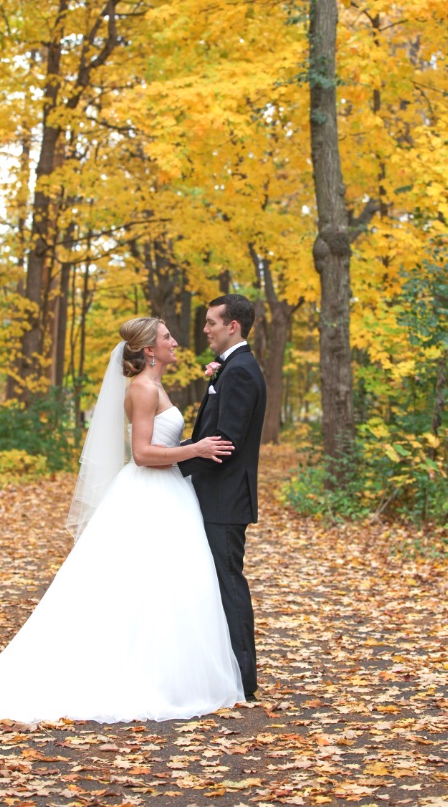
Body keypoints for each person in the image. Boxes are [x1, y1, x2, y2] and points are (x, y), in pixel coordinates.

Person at [0, 317, 245, 724]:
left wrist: (190, 449)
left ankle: (169, 674)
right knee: (147, 583)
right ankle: (145, 676)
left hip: (169, 492)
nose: (175, 342)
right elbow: (143, 453)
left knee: (162, 586)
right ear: (149, 350)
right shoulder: (143, 389)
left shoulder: (155, 386)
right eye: (167, 337)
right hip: (151, 492)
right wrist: (195, 450)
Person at [178, 295, 267, 702]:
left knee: (229, 584)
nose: (205, 329)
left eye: (211, 322)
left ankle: (243, 680)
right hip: (217, 496)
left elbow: (225, 443)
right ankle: (226, 673)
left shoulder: (241, 371)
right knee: (218, 584)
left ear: (233, 326)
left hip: (224, 499)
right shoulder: (232, 367)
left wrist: (172, 464)